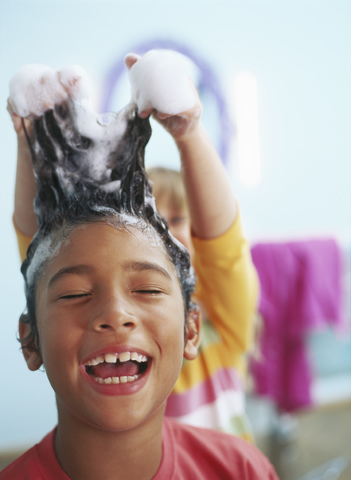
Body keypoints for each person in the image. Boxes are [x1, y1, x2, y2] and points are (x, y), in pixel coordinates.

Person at [2, 56, 277, 480]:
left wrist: (189, 133)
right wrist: (31, 146)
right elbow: (40, 252)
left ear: (191, 327)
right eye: (76, 294)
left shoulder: (240, 467)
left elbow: (224, 248)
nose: (115, 314)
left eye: (147, 288)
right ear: (30, 340)